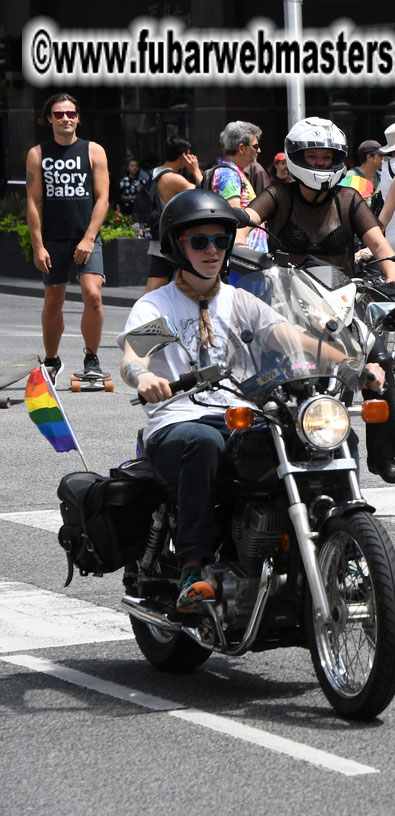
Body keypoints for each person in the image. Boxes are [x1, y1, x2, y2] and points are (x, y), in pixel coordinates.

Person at [119, 190, 354, 612]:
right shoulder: (158, 306)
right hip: (177, 420)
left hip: (240, 414)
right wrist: (146, 377)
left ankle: (337, 543)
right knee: (203, 444)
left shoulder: (240, 301)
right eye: (199, 241)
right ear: (178, 246)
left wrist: (351, 361)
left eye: (221, 240)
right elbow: (133, 357)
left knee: (316, 433)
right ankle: (194, 566)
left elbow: (290, 338)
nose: (212, 250)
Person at [243, 116, 395, 483]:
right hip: (286, 305)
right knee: (265, 376)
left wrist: (393, 283)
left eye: (327, 157)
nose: (320, 164)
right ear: (296, 157)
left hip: (338, 305)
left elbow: (380, 246)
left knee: (379, 361)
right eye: (313, 157)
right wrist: (237, 242)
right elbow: (247, 221)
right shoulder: (279, 195)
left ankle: (383, 457)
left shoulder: (348, 199)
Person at [25, 92, 110, 384]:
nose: (65, 119)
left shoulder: (93, 151)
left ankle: (92, 358)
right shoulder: (38, 154)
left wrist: (88, 239)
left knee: (93, 295)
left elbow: (102, 199)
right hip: (53, 239)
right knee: (53, 301)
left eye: (70, 114)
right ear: (49, 118)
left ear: (78, 118)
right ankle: (52, 359)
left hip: (86, 236)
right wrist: (38, 245)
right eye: (59, 114)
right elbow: (34, 203)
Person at [142, 135, 205, 294]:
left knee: (157, 286)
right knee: (168, 286)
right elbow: (205, 193)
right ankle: (143, 316)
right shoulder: (173, 179)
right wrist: (196, 170)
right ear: (184, 155)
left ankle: (144, 316)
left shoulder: (157, 172)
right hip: (171, 242)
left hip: (160, 239)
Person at [210, 121, 268, 253]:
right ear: (241, 148)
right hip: (243, 260)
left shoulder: (233, 172)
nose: (259, 150)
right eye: (255, 146)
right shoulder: (228, 174)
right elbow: (234, 218)